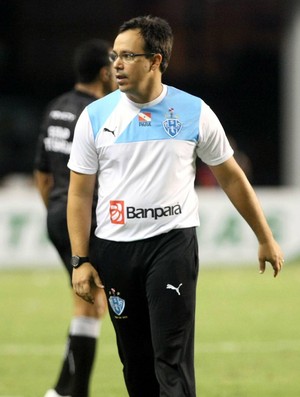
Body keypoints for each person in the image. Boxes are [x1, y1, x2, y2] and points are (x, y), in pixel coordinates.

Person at [67, 16, 284, 397]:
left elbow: (231, 176)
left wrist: (265, 237)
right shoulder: (95, 117)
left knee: (171, 358)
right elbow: (80, 194)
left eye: (128, 55)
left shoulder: (193, 111)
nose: (116, 64)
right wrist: (80, 259)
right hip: (115, 251)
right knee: (136, 363)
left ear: (155, 60)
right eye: (114, 55)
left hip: (172, 246)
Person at [34, 38, 117, 397]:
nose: (119, 71)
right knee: (92, 304)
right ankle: (73, 391)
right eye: (115, 63)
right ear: (103, 72)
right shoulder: (99, 114)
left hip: (56, 213)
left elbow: (42, 173)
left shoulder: (56, 108)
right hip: (85, 219)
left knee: (88, 302)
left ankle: (61, 390)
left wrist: (56, 211)